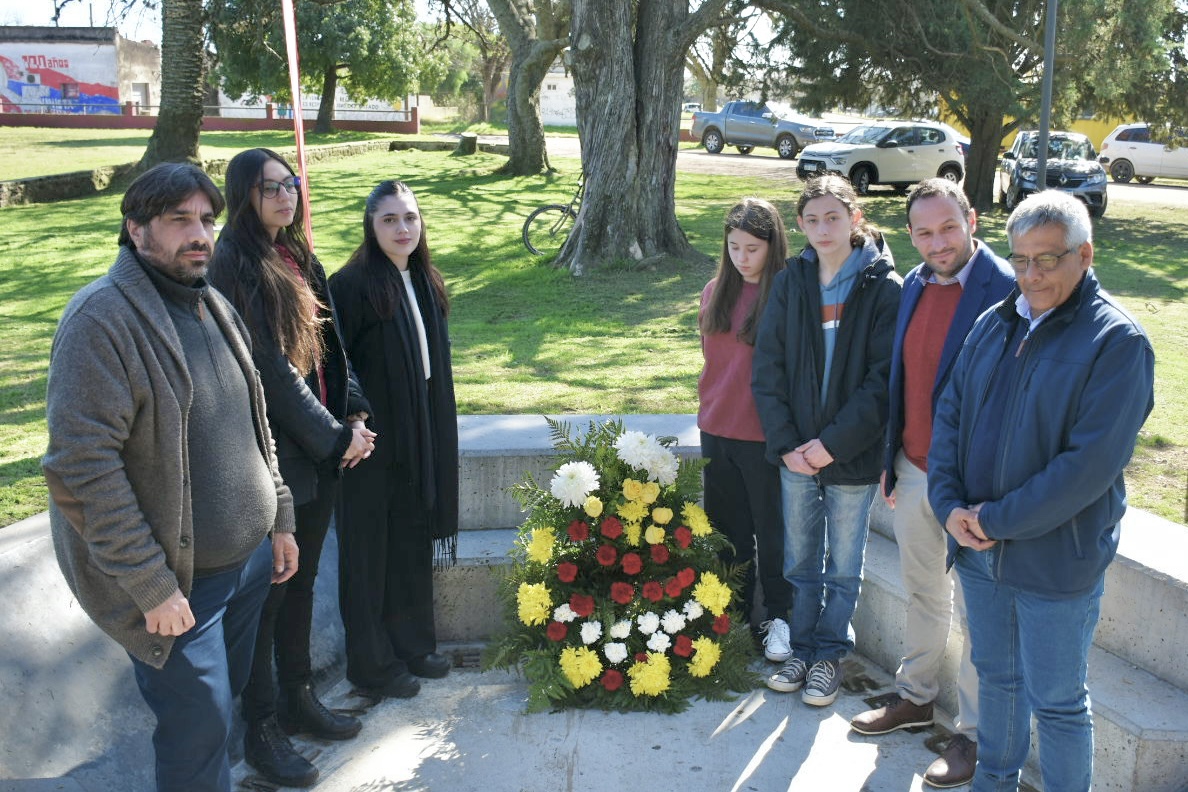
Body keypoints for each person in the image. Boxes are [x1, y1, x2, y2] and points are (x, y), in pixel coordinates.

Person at [42, 162, 299, 792]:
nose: (200, 234)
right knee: (196, 735)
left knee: (216, 718)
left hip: (247, 568)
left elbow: (254, 419)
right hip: (179, 589)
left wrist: (280, 516)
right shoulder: (101, 321)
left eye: (206, 220)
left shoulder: (212, 302)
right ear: (136, 230)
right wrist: (150, 584)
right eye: (179, 219)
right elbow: (81, 470)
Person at [928, 190, 1154, 792]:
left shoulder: (1117, 343)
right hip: (978, 552)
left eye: (1048, 259)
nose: (1031, 275)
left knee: (1057, 703)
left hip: (1055, 560)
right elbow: (949, 415)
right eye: (1021, 259)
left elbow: (1087, 469)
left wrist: (993, 519)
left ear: (1085, 255)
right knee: (997, 682)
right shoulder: (995, 322)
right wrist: (948, 506)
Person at [207, 148, 375, 788]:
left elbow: (332, 348)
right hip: (277, 455)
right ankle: (262, 727)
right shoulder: (234, 264)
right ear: (243, 196)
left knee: (301, 586)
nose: (286, 196)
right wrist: (334, 440)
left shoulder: (299, 254)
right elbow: (270, 372)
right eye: (270, 188)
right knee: (270, 596)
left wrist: (354, 411)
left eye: (291, 183)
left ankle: (300, 697)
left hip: (324, 447)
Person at [848, 179, 1014, 787]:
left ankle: (972, 736)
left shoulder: (1008, 288)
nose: (938, 242)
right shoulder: (914, 283)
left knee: (977, 615)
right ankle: (915, 697)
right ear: (911, 235)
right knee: (922, 591)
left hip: (974, 488)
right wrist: (891, 457)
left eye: (948, 227)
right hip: (914, 469)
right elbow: (904, 378)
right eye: (924, 232)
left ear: (972, 220)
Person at [752, 173, 901, 707]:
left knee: (842, 565)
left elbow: (883, 381)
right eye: (812, 220)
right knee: (799, 561)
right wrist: (787, 444)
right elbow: (767, 367)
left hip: (850, 455)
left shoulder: (883, 286)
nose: (823, 228)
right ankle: (803, 647)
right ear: (800, 225)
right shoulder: (792, 282)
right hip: (795, 454)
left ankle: (830, 655)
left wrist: (832, 444)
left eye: (833, 217)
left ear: (854, 218)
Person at [329, 180, 459, 699]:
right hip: (372, 437)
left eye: (410, 217)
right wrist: (353, 419)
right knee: (369, 552)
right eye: (389, 219)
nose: (403, 228)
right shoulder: (351, 284)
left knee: (410, 538)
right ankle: (373, 664)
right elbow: (336, 362)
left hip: (420, 430)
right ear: (371, 225)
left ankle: (413, 645)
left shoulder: (425, 279)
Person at [697, 197, 794, 662]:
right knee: (726, 534)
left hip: (765, 437)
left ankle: (778, 618)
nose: (742, 257)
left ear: (773, 246)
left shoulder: (788, 293)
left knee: (772, 534)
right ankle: (731, 619)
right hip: (716, 430)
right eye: (734, 247)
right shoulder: (714, 290)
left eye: (753, 248)